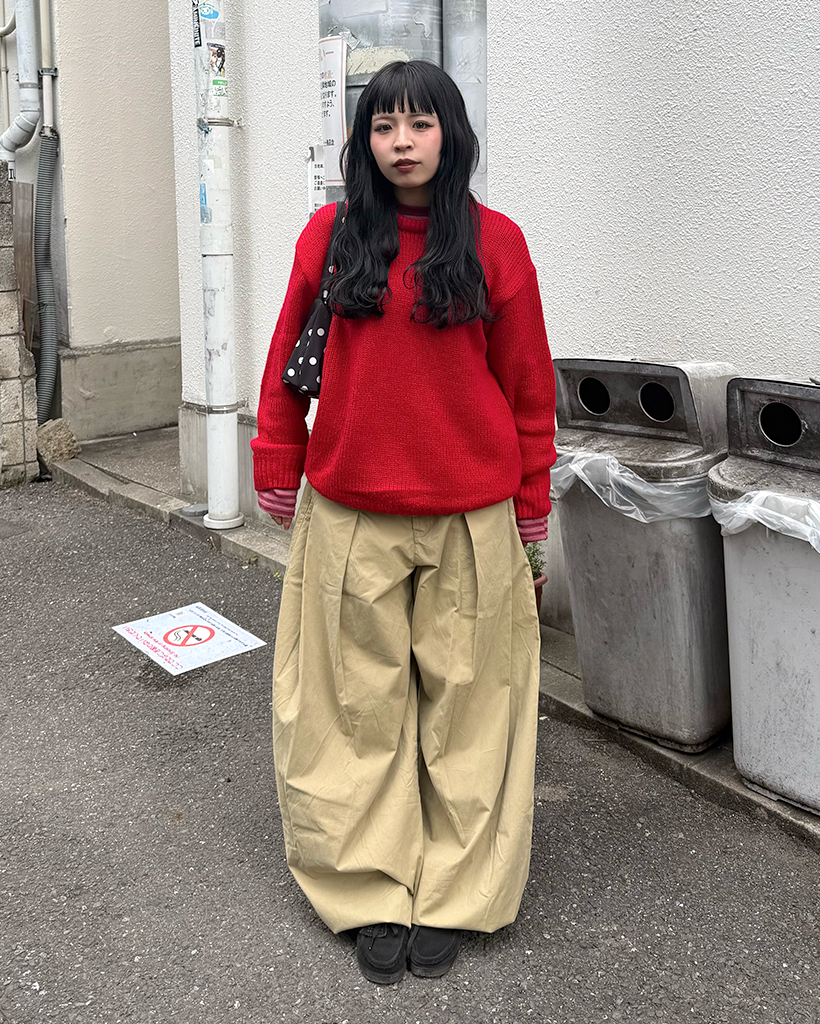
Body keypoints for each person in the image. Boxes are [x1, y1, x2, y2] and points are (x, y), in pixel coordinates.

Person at [251, 58, 556, 985]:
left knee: (475, 711)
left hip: (473, 515)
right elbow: (286, 362)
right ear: (364, 141)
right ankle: (367, 887)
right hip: (350, 509)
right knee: (350, 712)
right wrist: (277, 458)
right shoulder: (332, 235)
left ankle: (459, 894)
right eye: (383, 126)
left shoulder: (498, 244)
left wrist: (531, 506)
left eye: (420, 125)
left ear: (451, 135)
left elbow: (529, 388)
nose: (402, 143)